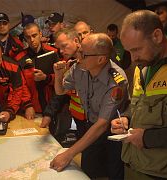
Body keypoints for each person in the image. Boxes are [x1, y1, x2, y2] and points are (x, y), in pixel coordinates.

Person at [110, 10, 167, 179]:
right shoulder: (142, 68)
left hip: (165, 173)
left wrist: (148, 138)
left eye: (136, 49)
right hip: (133, 164)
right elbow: (138, 104)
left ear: (157, 36)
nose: (134, 58)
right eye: (129, 51)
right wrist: (127, 118)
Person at [50, 33, 128, 179]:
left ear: (101, 59)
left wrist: (68, 153)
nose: (77, 55)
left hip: (114, 134)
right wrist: (59, 74)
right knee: (87, 171)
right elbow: (61, 91)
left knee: (113, 173)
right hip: (90, 127)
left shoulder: (116, 81)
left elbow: (102, 125)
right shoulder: (79, 68)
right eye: (79, 50)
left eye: (83, 54)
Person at [41, 28, 87, 141]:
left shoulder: (91, 63)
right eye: (59, 48)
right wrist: (58, 74)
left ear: (76, 41)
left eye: (64, 46)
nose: (61, 51)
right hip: (79, 119)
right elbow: (60, 92)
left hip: (92, 120)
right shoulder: (71, 65)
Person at [15, 23, 59, 113]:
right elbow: (21, 85)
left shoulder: (53, 53)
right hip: (32, 104)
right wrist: (27, 105)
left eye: (34, 35)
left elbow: (61, 78)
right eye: (28, 37)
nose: (32, 40)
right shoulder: (20, 58)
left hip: (53, 103)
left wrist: (46, 78)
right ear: (25, 38)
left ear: (40, 34)